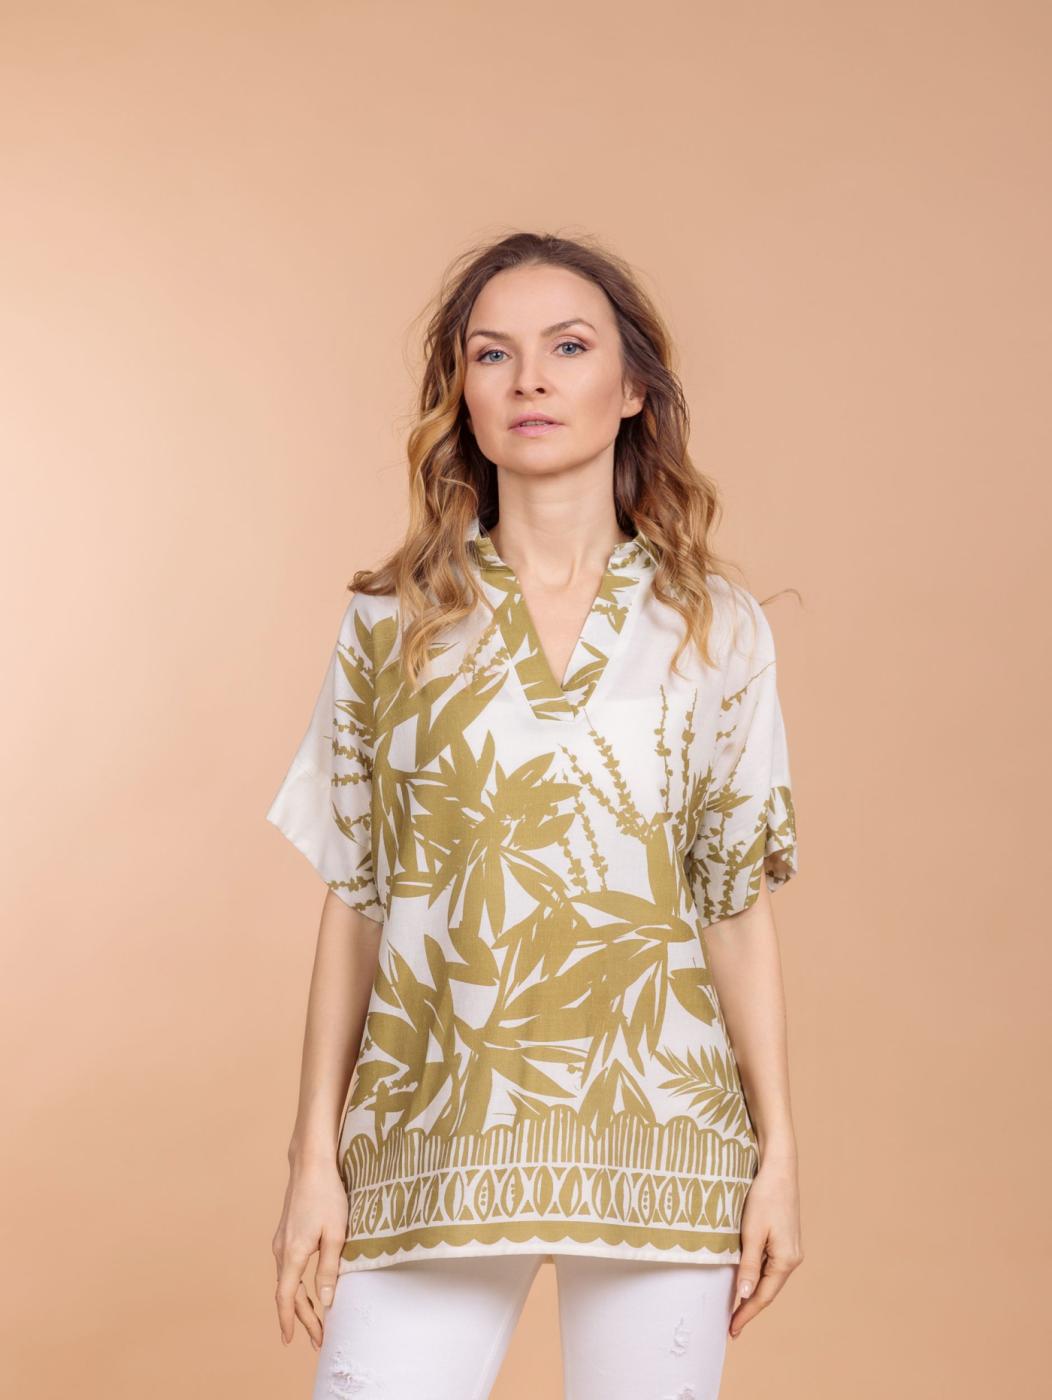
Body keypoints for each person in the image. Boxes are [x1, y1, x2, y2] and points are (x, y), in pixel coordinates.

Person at [265, 231, 804, 1400]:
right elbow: (357, 902)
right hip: (430, 1137)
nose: (529, 380)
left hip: (662, 1141)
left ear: (632, 388)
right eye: (492, 353)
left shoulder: (714, 626)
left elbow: (730, 906)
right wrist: (314, 1156)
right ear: (461, 392)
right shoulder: (391, 624)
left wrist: (778, 1159)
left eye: (567, 347)